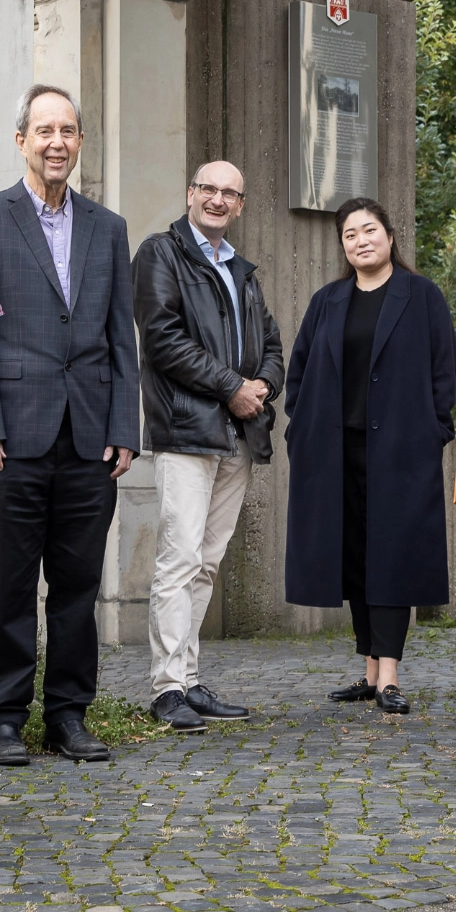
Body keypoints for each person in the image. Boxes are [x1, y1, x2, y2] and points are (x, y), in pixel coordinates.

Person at [0, 84, 138, 767]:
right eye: (44, 131)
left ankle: (69, 715)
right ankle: (5, 716)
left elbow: (120, 335)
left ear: (79, 141)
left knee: (77, 586)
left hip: (91, 438)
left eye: (68, 130)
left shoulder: (108, 226)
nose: (56, 142)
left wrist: (125, 422)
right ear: (21, 141)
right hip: (11, 439)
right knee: (8, 585)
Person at [284, 198, 456, 714]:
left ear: (389, 234)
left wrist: (433, 431)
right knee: (356, 557)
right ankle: (367, 672)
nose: (361, 240)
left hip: (401, 451)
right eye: (350, 234)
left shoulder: (420, 295)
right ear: (343, 246)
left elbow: (443, 370)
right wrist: (301, 428)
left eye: (370, 230)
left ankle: (390, 677)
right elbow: (299, 371)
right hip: (336, 453)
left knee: (392, 558)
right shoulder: (328, 300)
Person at [132, 161, 284, 732]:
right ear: (190, 193)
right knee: (179, 559)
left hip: (238, 435)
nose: (218, 200)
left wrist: (263, 385)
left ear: (240, 205)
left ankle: (189, 680)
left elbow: (270, 339)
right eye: (209, 189)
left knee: (206, 563)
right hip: (187, 431)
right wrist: (232, 388)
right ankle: (167, 688)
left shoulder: (240, 270)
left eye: (230, 193)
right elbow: (163, 340)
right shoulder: (160, 253)